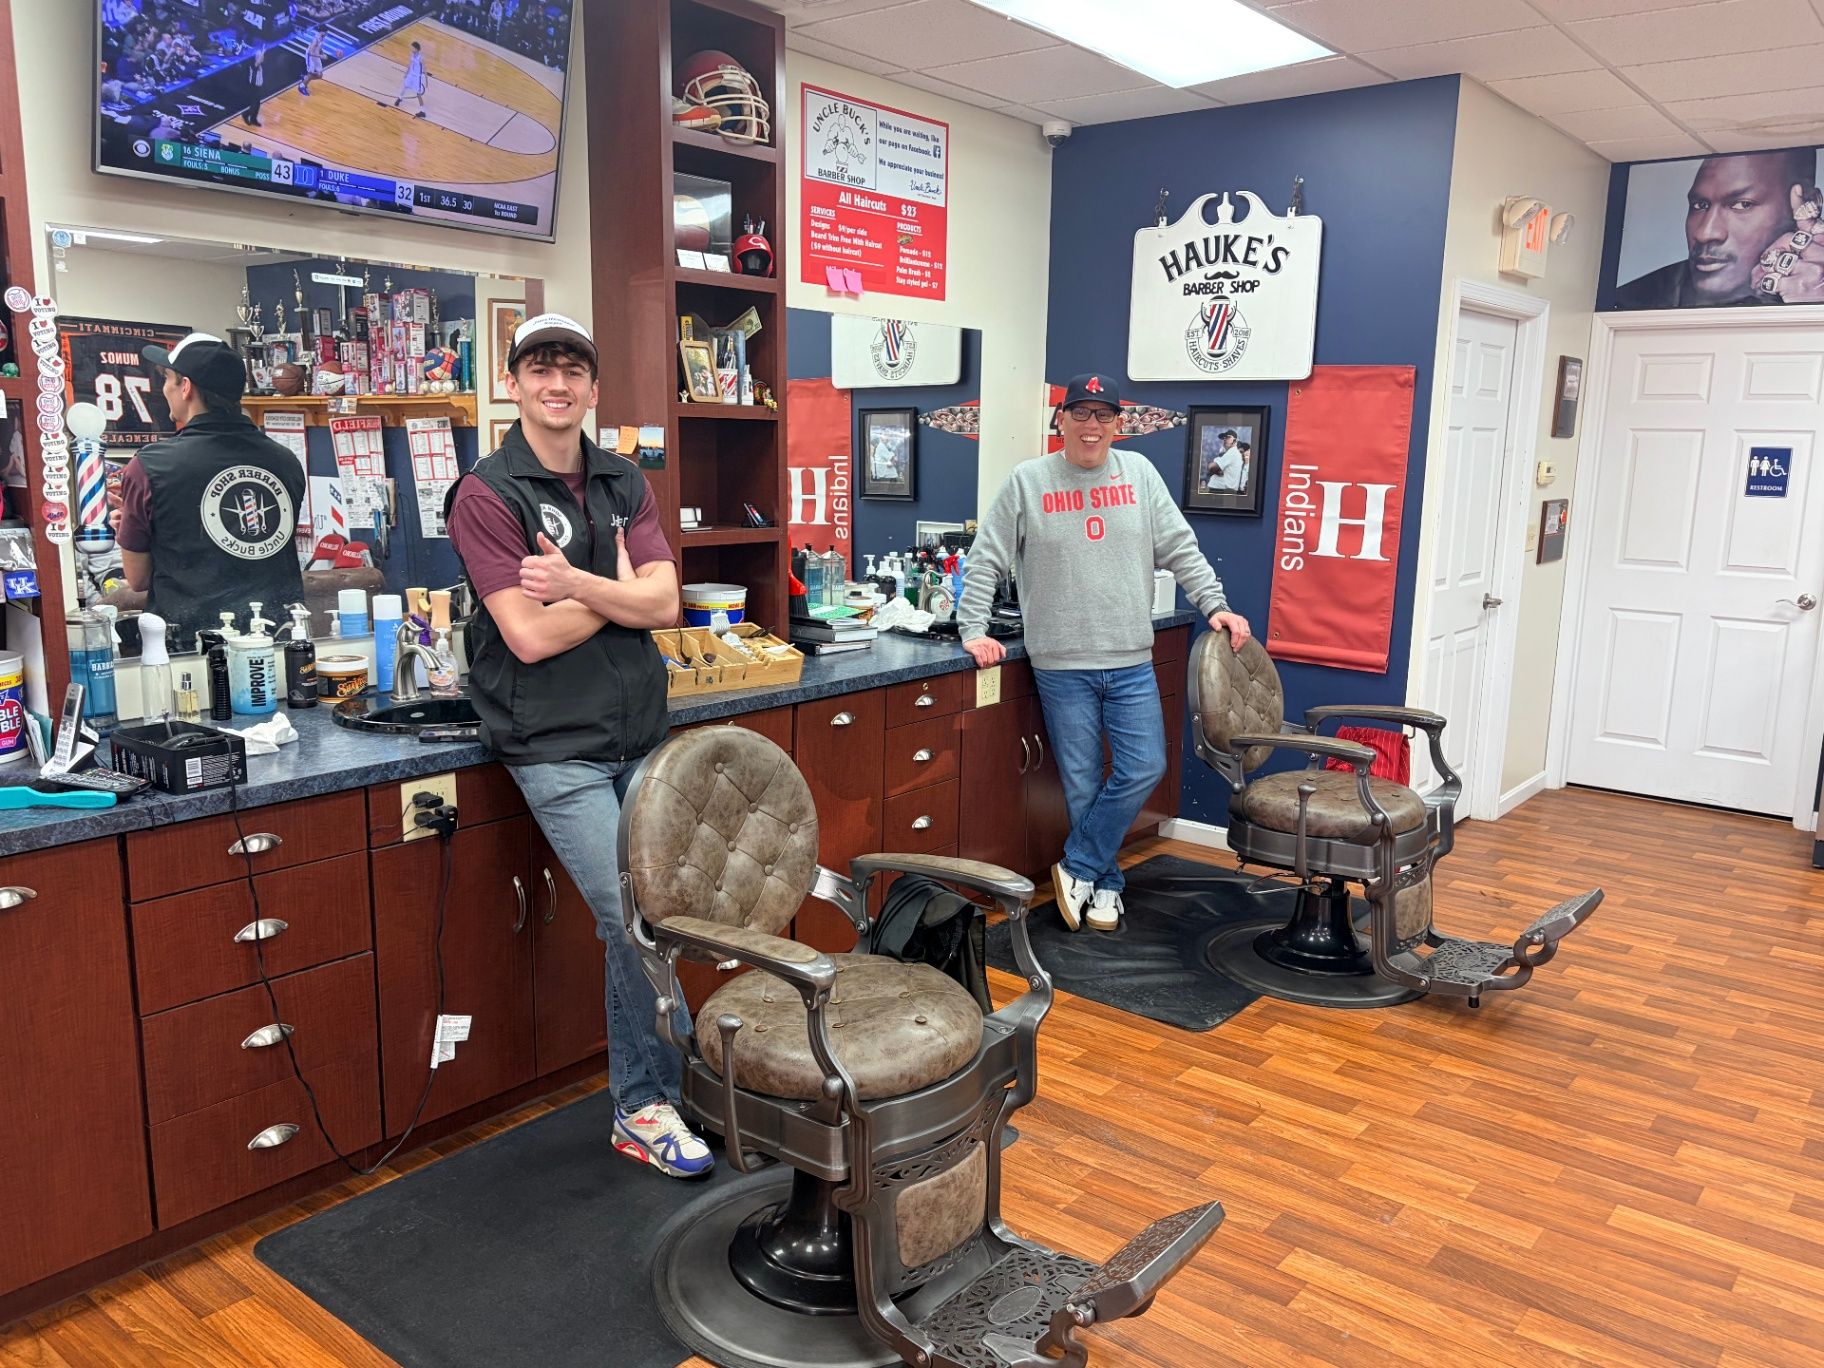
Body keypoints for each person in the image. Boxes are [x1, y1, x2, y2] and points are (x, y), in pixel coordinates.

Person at [444, 313, 712, 1179]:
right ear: (513, 384)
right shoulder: (488, 495)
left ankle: (666, 1082)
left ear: (593, 389)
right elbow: (525, 635)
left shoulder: (621, 479)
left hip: (638, 734)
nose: (556, 384)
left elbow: (668, 604)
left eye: (572, 371)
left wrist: (579, 586)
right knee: (631, 919)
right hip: (553, 747)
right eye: (539, 369)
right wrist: (622, 590)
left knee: (664, 913)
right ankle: (642, 1106)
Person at [956, 372, 1251, 934]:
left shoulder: (1139, 474)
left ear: (1119, 424)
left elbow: (1180, 547)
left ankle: (1078, 866)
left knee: (1145, 768)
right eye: (1081, 413)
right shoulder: (1028, 481)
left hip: (1130, 658)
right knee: (1084, 783)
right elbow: (986, 557)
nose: (1092, 426)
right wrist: (973, 627)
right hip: (1061, 663)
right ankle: (1106, 887)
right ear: (1060, 419)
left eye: (1103, 415)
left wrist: (1215, 604)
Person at [109, 333, 304, 648]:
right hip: (276, 640)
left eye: (168, 380)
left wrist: (131, 529)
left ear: (185, 387)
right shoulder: (286, 460)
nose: (165, 389)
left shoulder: (150, 465)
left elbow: (138, 579)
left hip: (191, 647)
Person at [1616, 150, 1822, 308]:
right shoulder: (1630, 300)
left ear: (1807, 204)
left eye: (1743, 204)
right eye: (1700, 205)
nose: (1705, 233)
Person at [393, 40, 428, 118]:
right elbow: (410, 64)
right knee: (404, 86)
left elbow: (425, 69)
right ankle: (399, 98)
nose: (411, 49)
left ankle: (423, 111)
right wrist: (406, 73)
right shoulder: (412, 55)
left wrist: (426, 80)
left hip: (417, 78)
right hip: (411, 75)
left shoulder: (420, 58)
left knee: (418, 95)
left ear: (416, 49)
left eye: (412, 48)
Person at [299, 29, 325, 95]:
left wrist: (322, 53)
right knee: (311, 74)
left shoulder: (322, 38)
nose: (326, 33)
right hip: (311, 57)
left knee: (320, 75)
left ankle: (305, 78)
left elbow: (320, 48)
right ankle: (302, 86)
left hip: (316, 57)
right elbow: (310, 53)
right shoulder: (315, 40)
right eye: (325, 32)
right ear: (321, 32)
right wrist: (321, 56)